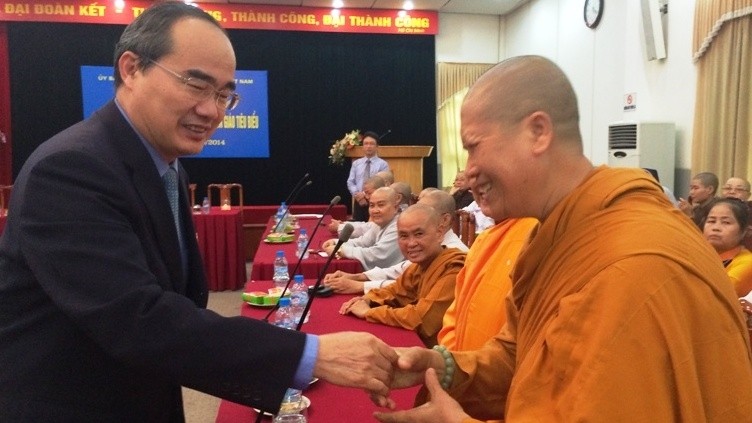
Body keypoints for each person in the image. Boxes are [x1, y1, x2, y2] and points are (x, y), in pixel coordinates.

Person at [0, 4, 397, 421]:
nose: (212, 110)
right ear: (132, 69)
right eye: (195, 84)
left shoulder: (165, 166)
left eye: (225, 94)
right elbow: (139, 321)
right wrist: (310, 355)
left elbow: (176, 305)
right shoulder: (72, 169)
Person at [371, 56, 752, 422]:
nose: (468, 172)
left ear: (538, 132)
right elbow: (523, 355)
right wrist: (445, 366)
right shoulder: (557, 231)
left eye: (474, 146)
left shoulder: (630, 266)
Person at [339, 204, 466, 347]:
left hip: (445, 356)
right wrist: (368, 299)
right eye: (403, 236)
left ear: (440, 232)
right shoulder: (420, 265)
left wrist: (369, 313)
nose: (411, 243)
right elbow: (396, 291)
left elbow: (422, 320)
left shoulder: (454, 267)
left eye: (419, 234)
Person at [323, 189, 468, 294]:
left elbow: (413, 289)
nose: (411, 243)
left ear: (445, 220)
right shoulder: (431, 243)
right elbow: (402, 271)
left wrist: (359, 286)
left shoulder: (454, 254)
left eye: (424, 212)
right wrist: (356, 277)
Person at [322, 187, 404, 270]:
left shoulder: (399, 226)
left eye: (381, 205)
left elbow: (376, 255)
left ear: (396, 207)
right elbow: (363, 242)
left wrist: (341, 251)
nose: (375, 210)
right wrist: (337, 243)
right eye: (372, 205)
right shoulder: (380, 223)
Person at [703, 198, 752, 296]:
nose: (716, 228)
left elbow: (714, 295)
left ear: (745, 231)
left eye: (726, 222)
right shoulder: (699, 256)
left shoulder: (748, 262)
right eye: (711, 221)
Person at [347, 131, 389, 221]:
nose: (368, 146)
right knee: (357, 226)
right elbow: (350, 182)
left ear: (377, 146)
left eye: (371, 144)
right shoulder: (356, 163)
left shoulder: (383, 164)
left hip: (375, 201)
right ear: (363, 146)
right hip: (358, 200)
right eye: (366, 144)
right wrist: (358, 195)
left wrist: (365, 195)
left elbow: (382, 183)